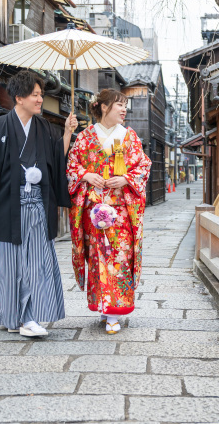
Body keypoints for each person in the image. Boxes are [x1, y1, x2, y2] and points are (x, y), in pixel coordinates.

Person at [0, 70, 76, 337]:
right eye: (35, 95)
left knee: (34, 264)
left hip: (35, 207)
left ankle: (29, 318)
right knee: (9, 265)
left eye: (41, 95)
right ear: (19, 97)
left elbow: (56, 158)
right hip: (6, 207)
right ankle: (12, 316)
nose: (40, 100)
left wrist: (68, 133)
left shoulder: (44, 127)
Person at [66, 89, 151, 334]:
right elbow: (72, 166)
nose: (124, 110)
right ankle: (104, 306)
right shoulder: (84, 137)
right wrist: (85, 175)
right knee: (97, 258)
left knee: (120, 258)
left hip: (121, 211)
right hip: (94, 211)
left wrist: (125, 179)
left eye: (125, 106)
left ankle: (115, 310)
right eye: (119, 105)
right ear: (103, 107)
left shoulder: (130, 136)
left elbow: (143, 167)